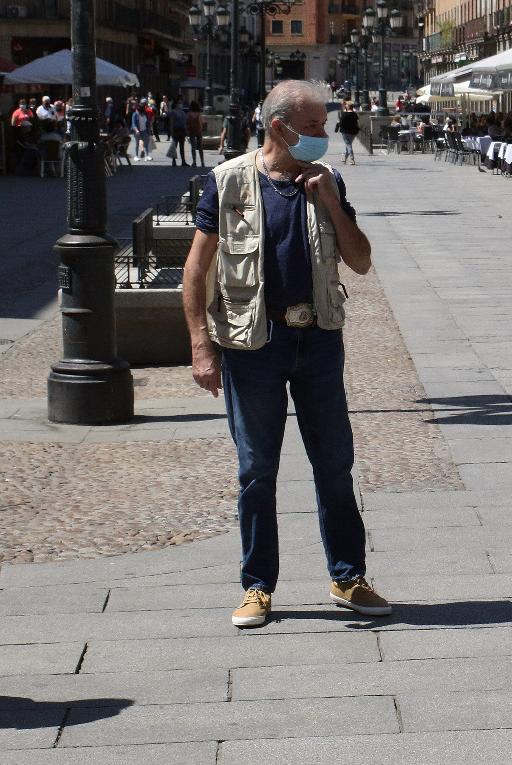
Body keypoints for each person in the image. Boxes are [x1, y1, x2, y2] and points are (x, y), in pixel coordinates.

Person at [181, 79, 390, 629]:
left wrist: (330, 203)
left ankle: (348, 577)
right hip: (253, 346)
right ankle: (257, 587)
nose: (324, 135)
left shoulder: (330, 180)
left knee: (335, 467)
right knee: (256, 470)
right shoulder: (227, 182)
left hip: (318, 338)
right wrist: (201, 344)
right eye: (316, 126)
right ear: (281, 127)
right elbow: (195, 272)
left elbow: (361, 261)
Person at [337, 100, 360, 165]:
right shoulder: (355, 114)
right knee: (348, 145)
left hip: (345, 132)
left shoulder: (344, 114)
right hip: (353, 132)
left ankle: (352, 159)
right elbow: (357, 123)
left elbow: (341, 123)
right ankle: (345, 159)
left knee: (348, 145)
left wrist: (339, 127)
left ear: (348, 106)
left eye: (346, 105)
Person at [168, 99, 188, 166]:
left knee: (182, 147)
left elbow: (185, 123)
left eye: (181, 103)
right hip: (176, 131)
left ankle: (183, 161)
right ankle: (173, 161)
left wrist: (186, 131)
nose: (180, 104)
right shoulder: (173, 112)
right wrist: (172, 132)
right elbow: (171, 122)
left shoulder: (182, 112)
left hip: (182, 131)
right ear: (176, 104)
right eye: (179, 103)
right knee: (175, 146)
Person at [187, 101, 205, 166]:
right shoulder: (199, 113)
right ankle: (202, 162)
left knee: (193, 147)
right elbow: (202, 122)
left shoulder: (189, 113)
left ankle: (194, 161)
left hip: (192, 131)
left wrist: (187, 131)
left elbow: (187, 122)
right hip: (199, 131)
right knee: (200, 147)